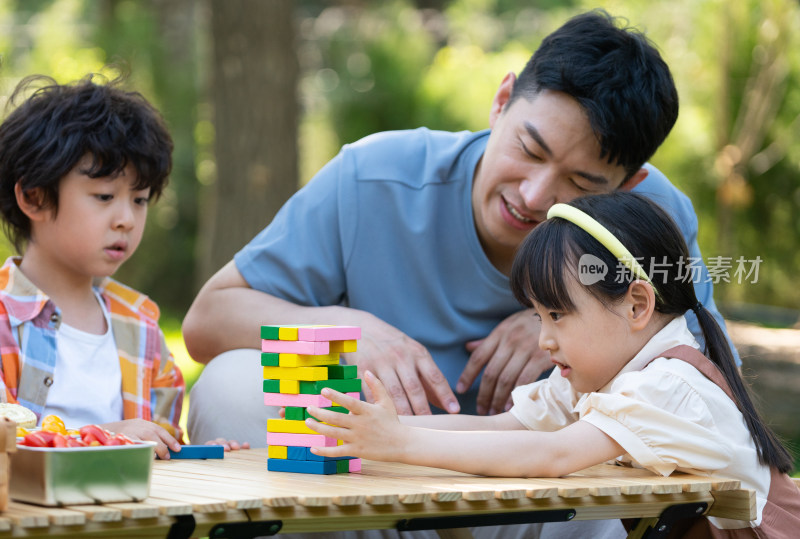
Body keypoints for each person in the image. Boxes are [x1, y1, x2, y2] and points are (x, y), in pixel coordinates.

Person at [183, 10, 738, 447]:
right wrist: (341, 330)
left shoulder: (653, 217)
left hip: (550, 484)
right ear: (501, 101)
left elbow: (709, 377)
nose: (534, 196)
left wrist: (581, 325)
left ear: (629, 185)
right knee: (232, 383)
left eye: (583, 182)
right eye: (529, 148)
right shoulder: (374, 176)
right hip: (371, 471)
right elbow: (209, 321)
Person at [307, 192, 800, 536]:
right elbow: (501, 428)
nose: (543, 340)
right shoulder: (602, 378)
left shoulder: (669, 387)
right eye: (539, 316)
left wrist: (402, 442)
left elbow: (554, 456)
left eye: (558, 315)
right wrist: (380, 434)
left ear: (636, 306)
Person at [0, 74, 183, 459]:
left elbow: (164, 444)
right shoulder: (4, 320)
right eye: (104, 196)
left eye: (140, 200)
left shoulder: (143, 326)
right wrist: (104, 436)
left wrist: (197, 451)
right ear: (33, 197)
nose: (127, 220)